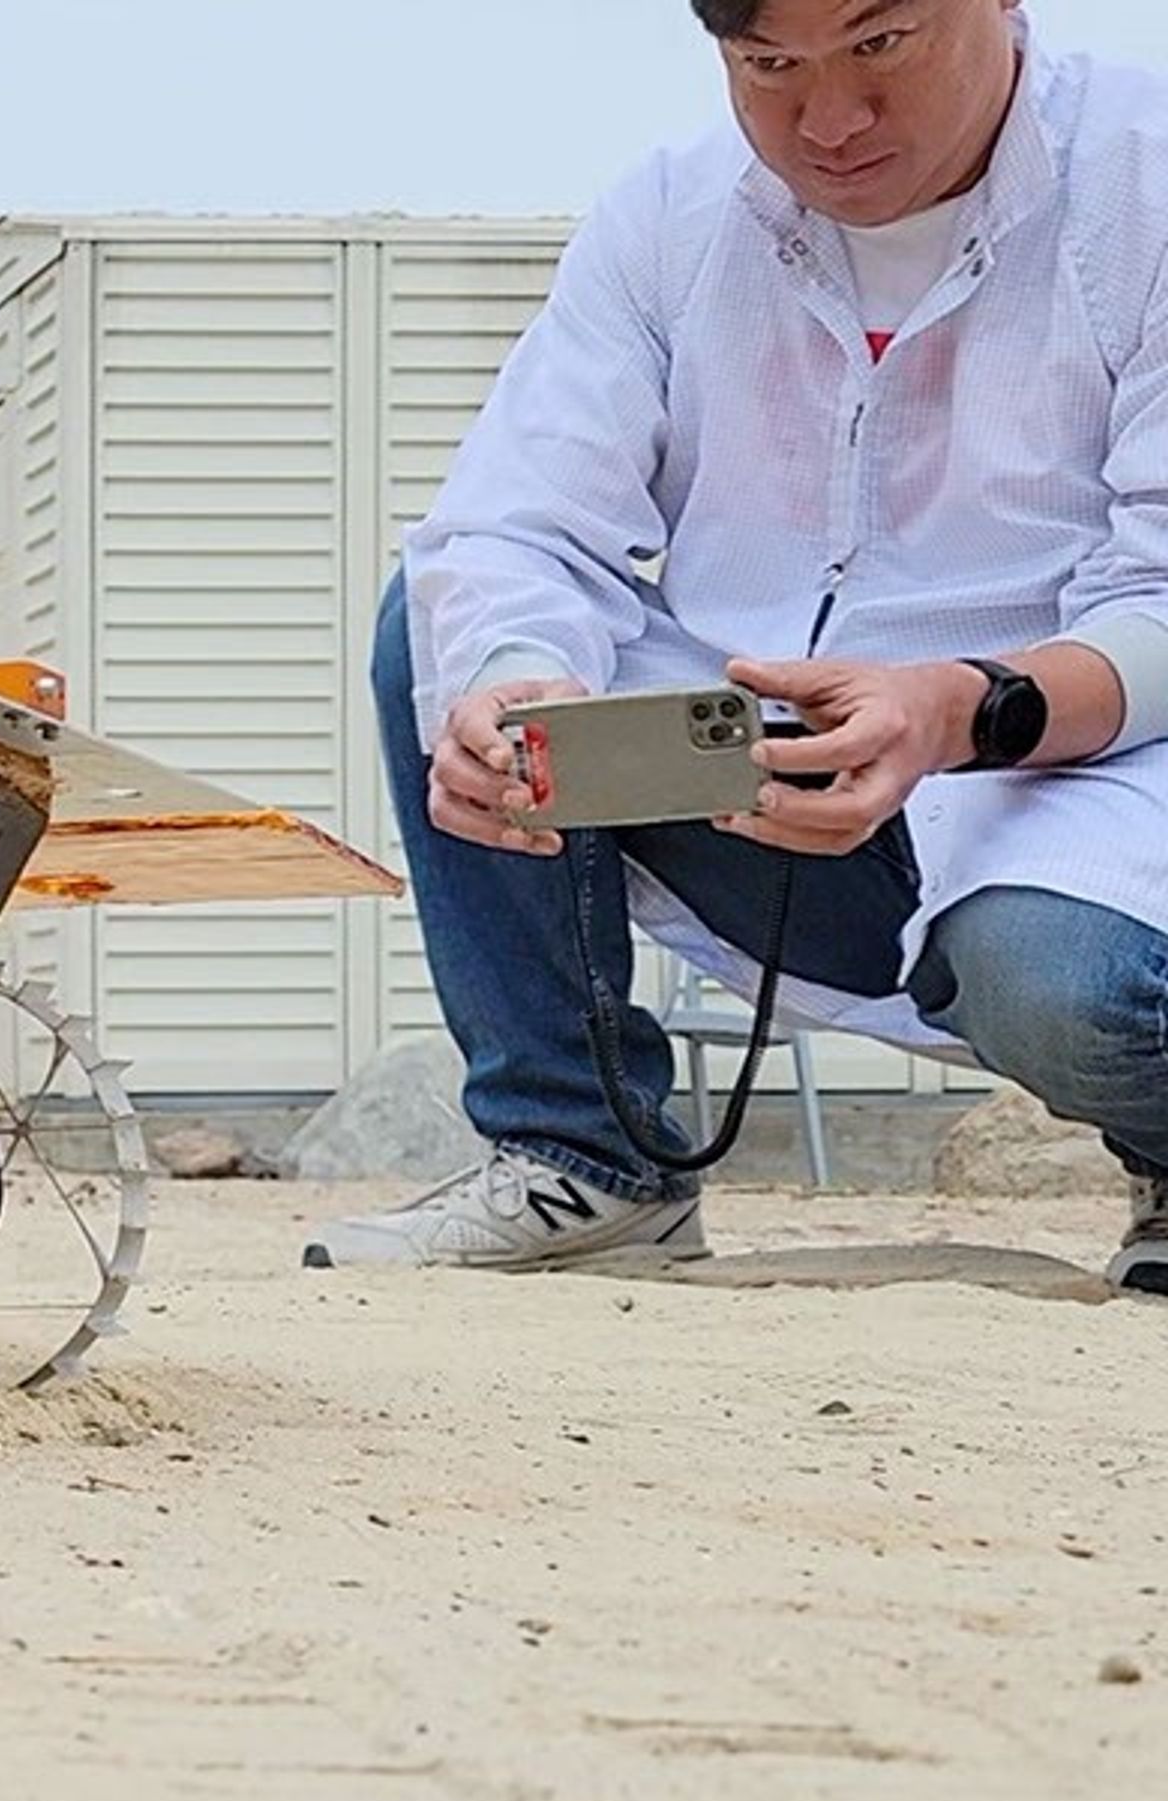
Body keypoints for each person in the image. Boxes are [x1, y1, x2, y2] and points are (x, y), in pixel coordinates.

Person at [314, 0, 1168, 1297]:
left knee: (1061, 978)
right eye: (769, 65)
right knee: (440, 634)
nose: (826, 123)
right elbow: (516, 520)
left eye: (882, 45)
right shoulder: (672, 212)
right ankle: (585, 1156)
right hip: (787, 773)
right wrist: (511, 684)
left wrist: (953, 709)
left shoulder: (1145, 173)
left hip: (1085, 763)